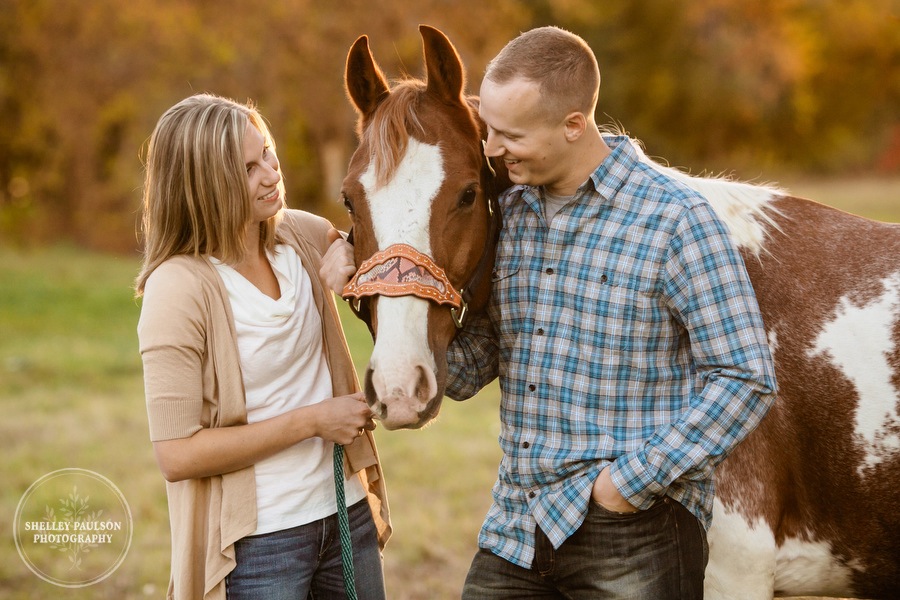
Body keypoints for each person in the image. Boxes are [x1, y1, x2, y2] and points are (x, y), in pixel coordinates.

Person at [443, 27, 778, 599]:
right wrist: (380, 297)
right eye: (489, 128)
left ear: (574, 125)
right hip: (517, 528)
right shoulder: (512, 214)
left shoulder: (675, 220)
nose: (492, 148)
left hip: (633, 531)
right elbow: (466, 369)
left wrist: (627, 483)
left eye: (510, 134)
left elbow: (746, 377)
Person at [135, 93, 390, 600]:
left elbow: (388, 249)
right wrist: (313, 421)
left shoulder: (301, 235)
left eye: (268, 153)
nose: (271, 174)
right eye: (248, 168)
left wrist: (348, 248)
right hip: (259, 543)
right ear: (205, 184)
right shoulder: (179, 288)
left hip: (344, 514)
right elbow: (177, 454)